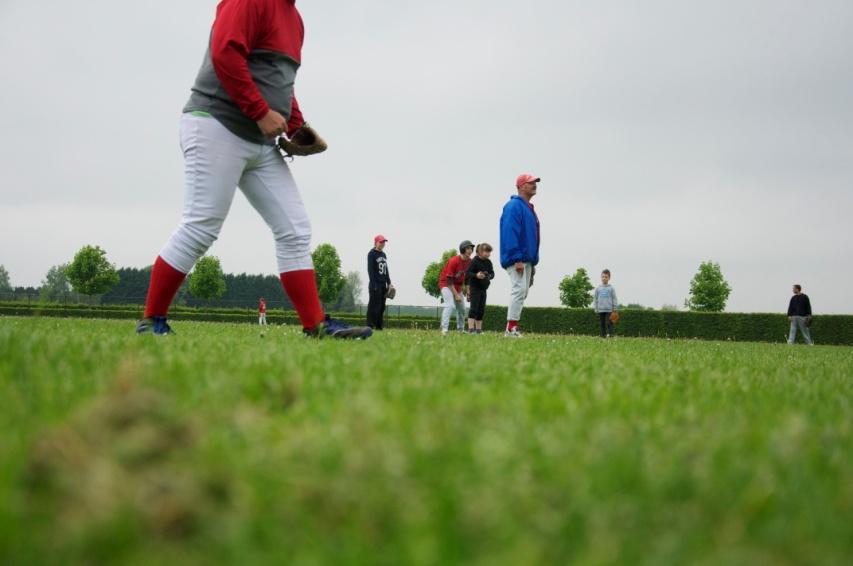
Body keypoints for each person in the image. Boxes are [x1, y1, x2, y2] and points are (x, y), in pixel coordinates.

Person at [135, 0, 371, 339]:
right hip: (217, 123)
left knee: (294, 229)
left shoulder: (295, 19)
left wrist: (296, 124)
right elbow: (224, 53)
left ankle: (315, 325)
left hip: (259, 139)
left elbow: (279, 83)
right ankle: (151, 320)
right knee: (202, 225)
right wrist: (261, 111)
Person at [499, 173, 541, 338]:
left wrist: (533, 262)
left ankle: (512, 326)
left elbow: (532, 237)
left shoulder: (528, 208)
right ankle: (510, 328)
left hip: (527, 259)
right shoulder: (513, 206)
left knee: (523, 292)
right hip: (517, 257)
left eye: (535, 182)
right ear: (521, 186)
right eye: (531, 183)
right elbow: (510, 232)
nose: (534, 185)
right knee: (518, 290)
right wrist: (516, 258)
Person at [439, 240, 474, 335]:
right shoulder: (454, 261)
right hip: (446, 284)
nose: (470, 250)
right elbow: (449, 281)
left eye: (471, 248)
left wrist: (468, 291)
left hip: (457, 286)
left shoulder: (470, 262)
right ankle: (444, 329)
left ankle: (461, 329)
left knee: (462, 309)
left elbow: (467, 279)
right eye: (467, 248)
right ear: (462, 249)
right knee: (450, 305)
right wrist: (456, 295)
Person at [465, 243, 495, 334]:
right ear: (480, 252)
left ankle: (478, 330)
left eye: (489, 252)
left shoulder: (488, 262)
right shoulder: (474, 261)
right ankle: (470, 329)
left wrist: (488, 275)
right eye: (486, 251)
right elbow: (468, 273)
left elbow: (492, 274)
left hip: (483, 288)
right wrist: (476, 275)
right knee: (474, 308)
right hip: (474, 287)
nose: (488, 254)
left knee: (481, 309)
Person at [367, 235, 393, 330]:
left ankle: (378, 326)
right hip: (375, 284)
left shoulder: (383, 254)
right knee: (374, 305)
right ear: (376, 242)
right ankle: (370, 325)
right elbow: (370, 270)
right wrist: (374, 285)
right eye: (381, 242)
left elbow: (386, 270)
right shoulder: (371, 254)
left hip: (383, 285)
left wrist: (389, 283)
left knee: (382, 306)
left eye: (384, 242)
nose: (382, 244)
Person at [593, 269, 619, 338]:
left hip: (609, 309)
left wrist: (615, 308)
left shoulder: (611, 288)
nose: (604, 278)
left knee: (609, 323)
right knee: (602, 323)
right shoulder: (598, 288)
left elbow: (614, 298)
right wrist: (595, 308)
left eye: (606, 277)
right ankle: (602, 336)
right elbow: (595, 299)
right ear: (601, 277)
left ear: (609, 278)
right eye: (603, 276)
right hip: (600, 309)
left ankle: (611, 335)